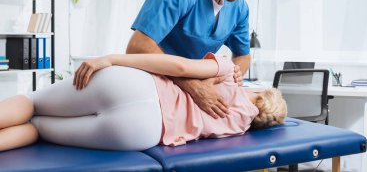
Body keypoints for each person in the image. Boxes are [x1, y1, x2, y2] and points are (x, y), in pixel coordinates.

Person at [0, 52, 286, 152]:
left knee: (32, 103)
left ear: (260, 94)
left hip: (134, 88)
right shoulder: (239, 127)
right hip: (142, 132)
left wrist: (110, 59)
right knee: (37, 128)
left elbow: (180, 68)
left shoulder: (230, 74)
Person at [127, 0, 269, 119]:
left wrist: (232, 76)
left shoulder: (239, 8)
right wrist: (192, 85)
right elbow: (137, 47)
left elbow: (243, 56)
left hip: (198, 94)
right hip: (153, 86)